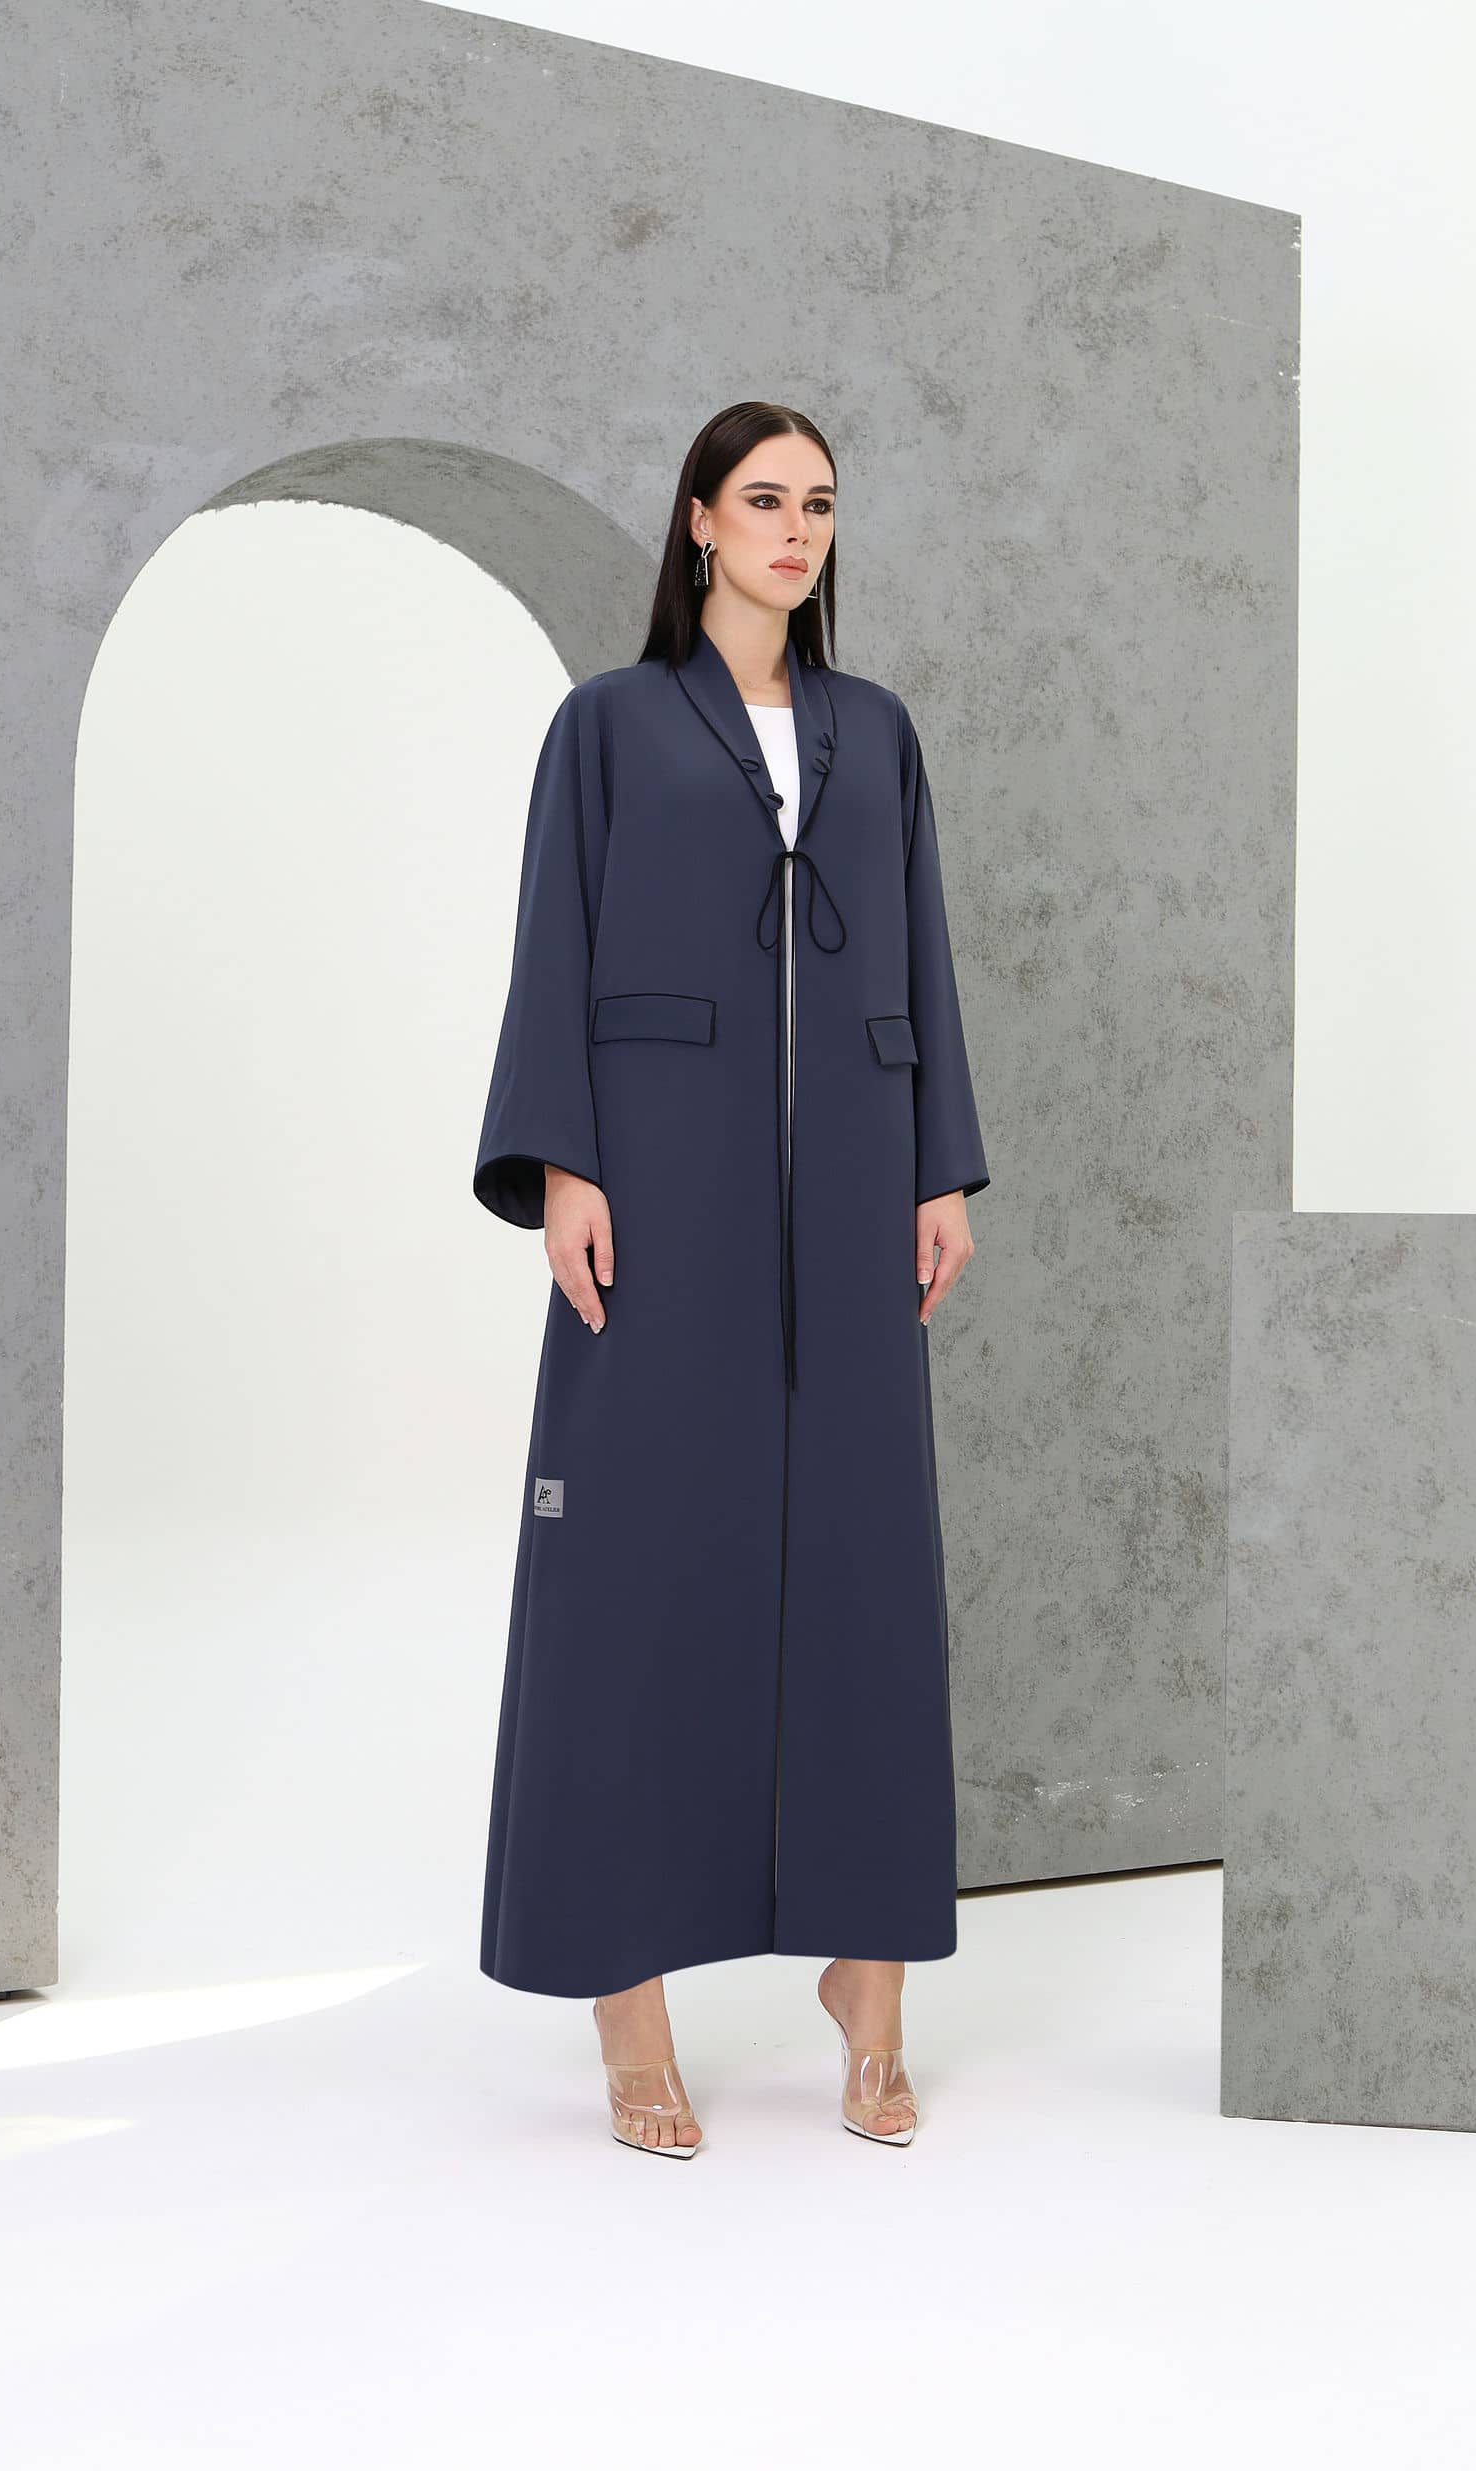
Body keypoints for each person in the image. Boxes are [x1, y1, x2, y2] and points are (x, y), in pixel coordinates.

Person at [472, 401, 990, 2157]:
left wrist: (936, 1165)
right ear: (699, 520)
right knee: (633, 1565)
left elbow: (919, 945)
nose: (795, 528)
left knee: (864, 1562)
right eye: (764, 499)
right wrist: (563, 1162)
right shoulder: (612, 725)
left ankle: (872, 1991)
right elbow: (556, 938)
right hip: (660, 1177)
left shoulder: (876, 731)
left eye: (819, 504)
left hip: (853, 1184)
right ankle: (628, 2001)